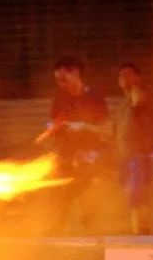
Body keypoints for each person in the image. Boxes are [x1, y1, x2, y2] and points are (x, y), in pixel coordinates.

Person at [43, 56, 115, 233]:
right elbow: (54, 129)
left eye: (64, 79)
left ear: (75, 72)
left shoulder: (94, 97)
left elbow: (107, 131)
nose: (61, 84)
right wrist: (52, 129)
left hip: (91, 163)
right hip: (67, 161)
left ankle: (93, 239)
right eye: (58, 81)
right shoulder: (59, 100)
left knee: (90, 205)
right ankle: (54, 240)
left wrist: (84, 127)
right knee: (58, 202)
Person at [115, 63, 153, 235]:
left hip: (141, 158)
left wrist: (138, 104)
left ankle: (144, 233)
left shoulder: (148, 101)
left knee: (140, 198)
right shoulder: (122, 107)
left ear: (138, 78)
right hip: (125, 158)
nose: (125, 79)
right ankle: (136, 232)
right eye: (121, 76)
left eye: (129, 74)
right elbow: (118, 131)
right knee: (131, 199)